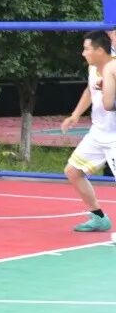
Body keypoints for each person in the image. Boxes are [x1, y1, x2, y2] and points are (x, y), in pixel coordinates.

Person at [64, 31, 116, 231]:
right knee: (73, 171)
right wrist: (75, 114)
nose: (83, 53)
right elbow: (89, 90)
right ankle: (99, 217)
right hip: (98, 133)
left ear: (100, 50)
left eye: (87, 49)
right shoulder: (93, 69)